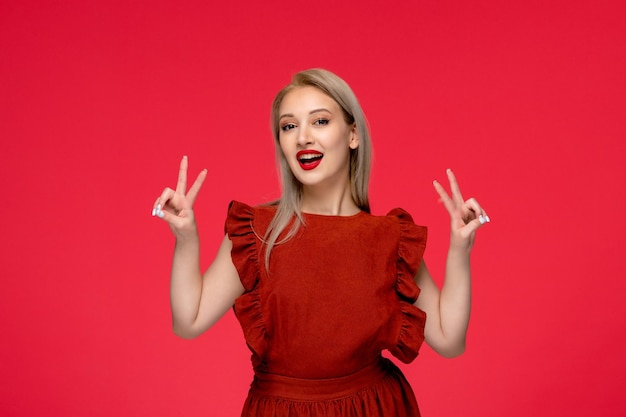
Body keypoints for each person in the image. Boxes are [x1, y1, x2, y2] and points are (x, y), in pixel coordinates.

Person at [151, 68, 490, 417]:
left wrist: (460, 249)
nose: (302, 138)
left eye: (320, 121)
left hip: (374, 408)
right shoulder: (257, 233)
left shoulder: (389, 239)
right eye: (289, 126)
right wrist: (186, 238)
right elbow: (188, 321)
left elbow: (449, 340)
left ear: (353, 134)